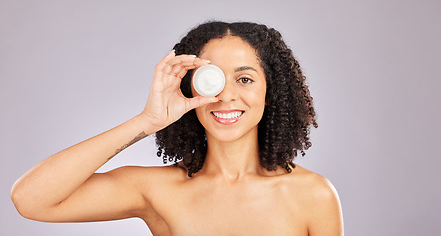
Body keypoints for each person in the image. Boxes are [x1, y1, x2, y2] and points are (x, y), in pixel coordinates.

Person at [11, 21, 343, 236]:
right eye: (212, 80)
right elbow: (31, 200)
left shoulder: (313, 195)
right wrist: (148, 120)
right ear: (190, 87)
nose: (226, 96)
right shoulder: (156, 189)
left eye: (245, 79)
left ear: (271, 91)